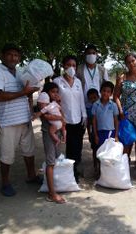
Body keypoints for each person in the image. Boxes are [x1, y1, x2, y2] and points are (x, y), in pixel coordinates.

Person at [0, 43, 40, 196]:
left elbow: (26, 92)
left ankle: (31, 176)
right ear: (2, 56)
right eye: (10, 54)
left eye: (16, 55)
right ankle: (5, 183)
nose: (13, 58)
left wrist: (30, 92)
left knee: (29, 151)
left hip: (24, 118)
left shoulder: (20, 72)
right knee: (7, 154)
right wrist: (23, 92)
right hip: (9, 121)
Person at [53, 55, 87, 183]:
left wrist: (84, 115)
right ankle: (67, 173)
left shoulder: (78, 82)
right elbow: (54, 99)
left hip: (78, 120)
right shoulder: (57, 81)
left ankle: (75, 170)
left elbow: (81, 100)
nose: (71, 68)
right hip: (64, 120)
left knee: (77, 147)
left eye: (74, 65)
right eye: (68, 65)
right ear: (63, 66)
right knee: (67, 147)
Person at [38, 82, 66, 204]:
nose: (55, 94)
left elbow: (61, 114)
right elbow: (46, 117)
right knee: (51, 162)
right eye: (53, 92)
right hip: (49, 134)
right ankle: (52, 194)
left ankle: (53, 188)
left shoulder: (54, 103)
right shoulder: (44, 99)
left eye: (56, 92)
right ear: (47, 92)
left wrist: (59, 103)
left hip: (57, 132)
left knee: (54, 159)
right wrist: (60, 119)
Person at [92, 81, 119, 176]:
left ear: (111, 93)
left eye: (108, 92)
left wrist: (116, 135)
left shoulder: (113, 105)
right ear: (100, 91)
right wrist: (95, 134)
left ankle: (108, 174)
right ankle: (99, 172)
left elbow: (116, 120)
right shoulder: (96, 105)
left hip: (110, 133)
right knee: (100, 152)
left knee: (109, 153)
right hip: (100, 133)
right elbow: (94, 121)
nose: (105, 93)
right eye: (104, 91)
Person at [76, 44, 109, 116]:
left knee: (97, 126)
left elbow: (107, 87)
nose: (91, 55)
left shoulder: (102, 70)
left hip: (99, 104)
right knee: (85, 124)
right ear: (85, 55)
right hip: (83, 104)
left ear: (96, 54)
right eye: (89, 53)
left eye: (93, 53)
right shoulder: (78, 69)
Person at [86, 88, 100, 171]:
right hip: (93, 133)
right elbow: (88, 124)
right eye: (91, 99)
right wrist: (89, 134)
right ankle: (95, 165)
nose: (93, 100)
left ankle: (102, 166)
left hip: (102, 131)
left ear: (98, 97)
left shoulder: (102, 107)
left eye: (95, 98)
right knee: (95, 149)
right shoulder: (89, 110)